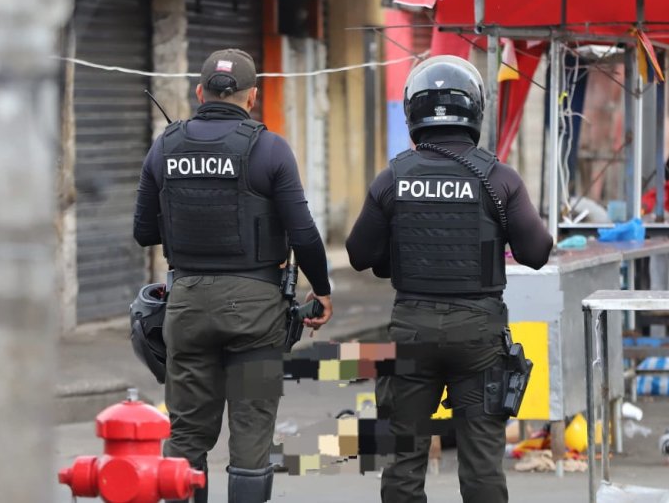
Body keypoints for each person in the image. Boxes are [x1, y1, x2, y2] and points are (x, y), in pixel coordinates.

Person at [345, 55, 553, 503]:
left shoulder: (393, 178)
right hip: (478, 333)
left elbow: (359, 254)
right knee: (481, 465)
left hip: (412, 328)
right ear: (474, 109)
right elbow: (537, 252)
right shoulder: (498, 178)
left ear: (413, 111)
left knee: (404, 462)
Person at [131, 48, 333, 503]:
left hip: (185, 308)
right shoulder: (270, 148)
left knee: (186, 435)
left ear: (199, 92)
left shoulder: (165, 146)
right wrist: (321, 292)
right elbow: (304, 233)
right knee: (252, 434)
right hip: (257, 313)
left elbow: (144, 232)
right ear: (252, 97)